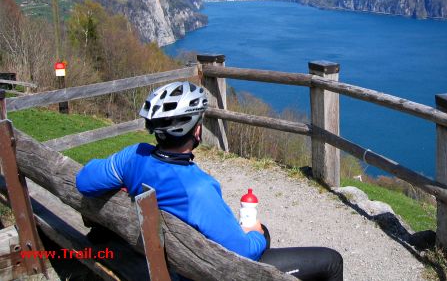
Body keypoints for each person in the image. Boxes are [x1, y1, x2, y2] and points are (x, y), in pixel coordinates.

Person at [76, 81, 343, 280]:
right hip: (201, 273)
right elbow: (244, 253)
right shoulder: (198, 189)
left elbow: (84, 181)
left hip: (159, 260)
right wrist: (258, 234)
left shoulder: (132, 157)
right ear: (197, 130)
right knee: (331, 261)